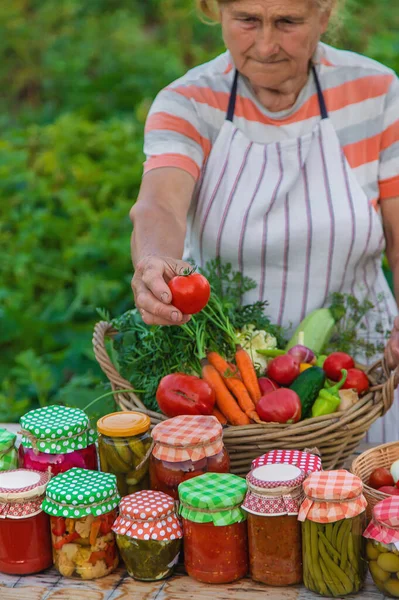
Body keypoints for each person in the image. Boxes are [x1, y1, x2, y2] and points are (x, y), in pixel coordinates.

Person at [130, 0, 399, 442]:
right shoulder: (189, 102)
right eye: (247, 21)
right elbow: (160, 203)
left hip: (361, 374)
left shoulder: (375, 90)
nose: (267, 45)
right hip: (237, 384)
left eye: (288, 22)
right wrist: (155, 260)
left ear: (325, 13)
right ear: (218, 12)